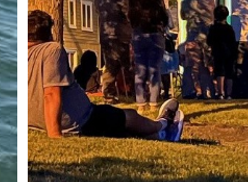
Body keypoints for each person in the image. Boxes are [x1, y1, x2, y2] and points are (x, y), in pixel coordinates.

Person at [27, 10, 182, 140]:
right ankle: (163, 124)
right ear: (48, 33)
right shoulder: (51, 49)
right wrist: (54, 135)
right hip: (80, 119)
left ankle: (159, 135)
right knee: (128, 116)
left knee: (120, 131)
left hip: (36, 123)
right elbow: (51, 93)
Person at [128, 0, 169, 111]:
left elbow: (131, 18)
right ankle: (153, 103)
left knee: (140, 70)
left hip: (139, 34)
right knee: (154, 69)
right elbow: (164, 17)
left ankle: (141, 103)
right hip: (155, 34)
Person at [93, 0, 132, 103]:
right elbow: (129, 15)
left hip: (105, 35)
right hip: (121, 35)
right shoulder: (123, 1)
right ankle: (127, 90)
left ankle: (110, 91)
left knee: (110, 64)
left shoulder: (99, 1)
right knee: (125, 64)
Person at [180, 0, 216, 98]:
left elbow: (183, 16)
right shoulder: (210, 0)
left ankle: (197, 90)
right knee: (209, 64)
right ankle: (211, 90)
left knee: (194, 66)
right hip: (208, 37)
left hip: (193, 36)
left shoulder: (185, 2)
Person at [207, 5, 237, 99]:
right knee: (229, 73)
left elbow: (209, 41)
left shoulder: (213, 28)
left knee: (220, 73)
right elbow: (233, 41)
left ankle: (221, 93)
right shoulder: (229, 28)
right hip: (229, 53)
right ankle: (229, 93)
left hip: (217, 53)